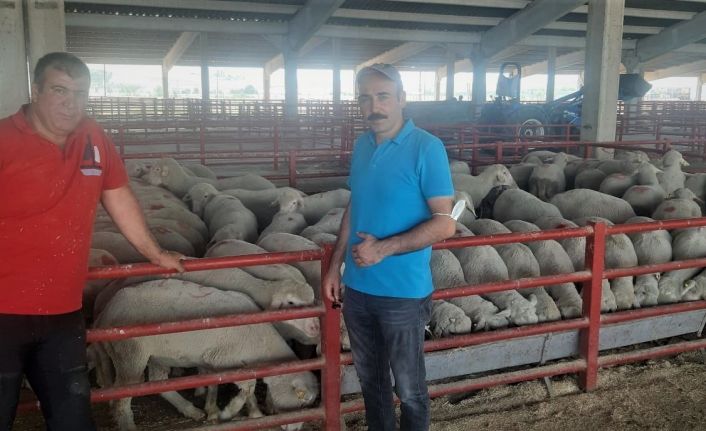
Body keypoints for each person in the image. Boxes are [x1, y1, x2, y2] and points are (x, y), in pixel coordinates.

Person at [0, 52, 185, 430]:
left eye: (80, 93)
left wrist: (155, 253)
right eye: (59, 91)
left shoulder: (94, 137)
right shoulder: (3, 139)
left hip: (63, 312)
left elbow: (118, 196)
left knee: (74, 420)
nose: (71, 103)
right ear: (36, 91)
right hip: (3, 310)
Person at [323, 63, 456, 430]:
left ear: (402, 98)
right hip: (359, 289)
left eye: (383, 96)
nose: (374, 106)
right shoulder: (362, 145)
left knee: (409, 388)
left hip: (403, 293)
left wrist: (384, 248)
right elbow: (356, 205)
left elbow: (445, 222)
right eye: (365, 98)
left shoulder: (427, 147)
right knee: (372, 384)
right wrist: (335, 266)